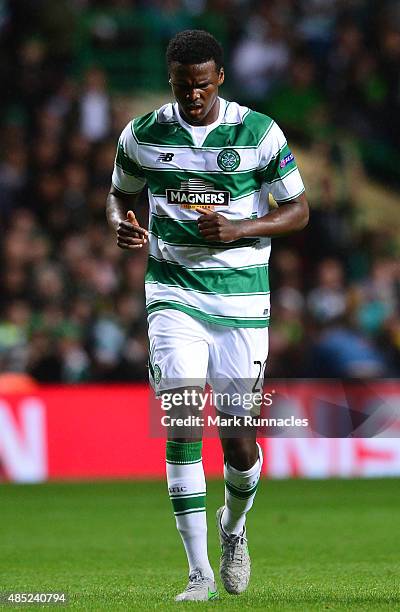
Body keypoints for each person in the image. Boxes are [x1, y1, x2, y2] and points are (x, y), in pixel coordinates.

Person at [106, 30, 309, 601]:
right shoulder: (142, 135)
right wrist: (119, 222)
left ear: (219, 78)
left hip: (242, 302)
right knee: (182, 425)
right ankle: (197, 575)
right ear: (170, 81)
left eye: (201, 85)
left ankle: (234, 528)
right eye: (181, 87)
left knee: (239, 440)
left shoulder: (259, 133)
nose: (192, 96)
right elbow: (119, 194)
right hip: (172, 295)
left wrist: (240, 228)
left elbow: (298, 210)